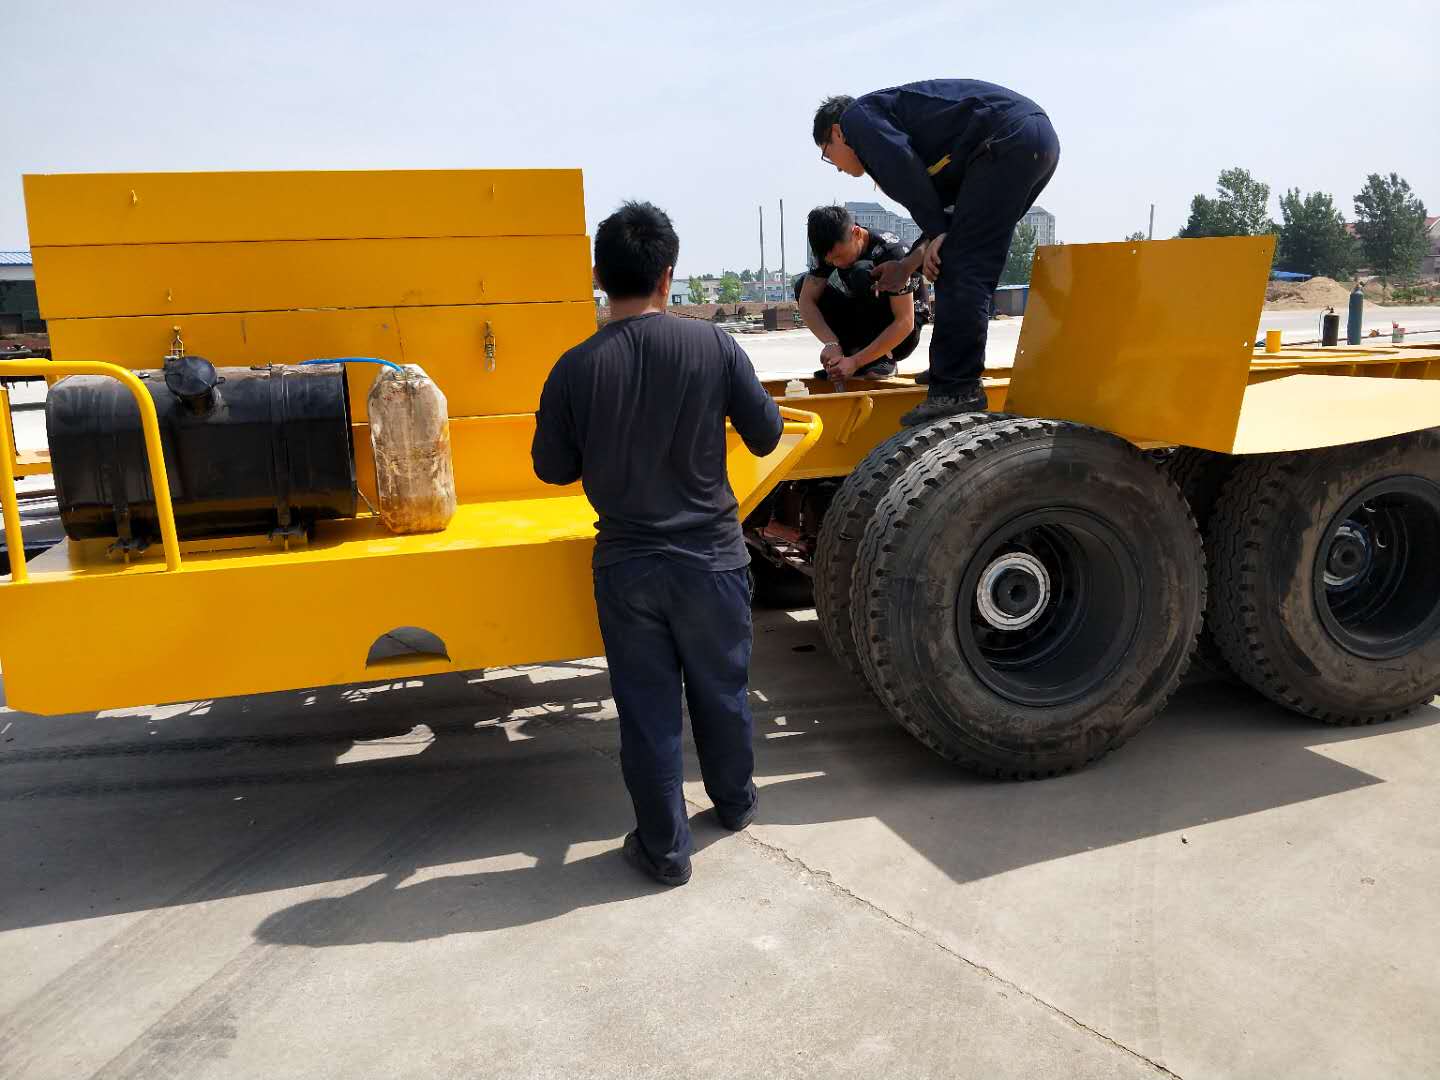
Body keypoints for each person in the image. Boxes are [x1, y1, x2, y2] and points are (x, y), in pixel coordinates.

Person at [531, 201, 783, 888]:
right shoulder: (715, 347)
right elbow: (766, 434)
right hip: (712, 560)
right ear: (668, 274)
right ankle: (734, 805)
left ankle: (665, 851)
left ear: (598, 276)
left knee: (648, 713)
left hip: (629, 565)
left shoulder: (574, 368)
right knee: (722, 691)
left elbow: (551, 468)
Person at [812, 79, 1060, 425]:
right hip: (1027, 143)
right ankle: (951, 371)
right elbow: (946, 209)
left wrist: (937, 232)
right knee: (958, 257)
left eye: (828, 155)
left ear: (837, 133)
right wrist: (908, 264)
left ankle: (957, 387)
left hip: (1007, 138)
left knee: (962, 264)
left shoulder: (858, 118)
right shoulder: (916, 135)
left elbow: (904, 168)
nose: (837, 166)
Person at [796, 204, 919, 382]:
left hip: (902, 335)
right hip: (863, 323)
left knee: (861, 272)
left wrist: (856, 362)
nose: (836, 264)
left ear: (856, 233)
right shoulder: (830, 251)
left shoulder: (890, 252)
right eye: (831, 261)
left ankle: (882, 359)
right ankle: (848, 357)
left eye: (839, 256)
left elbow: (905, 321)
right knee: (802, 286)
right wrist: (831, 342)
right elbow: (807, 301)